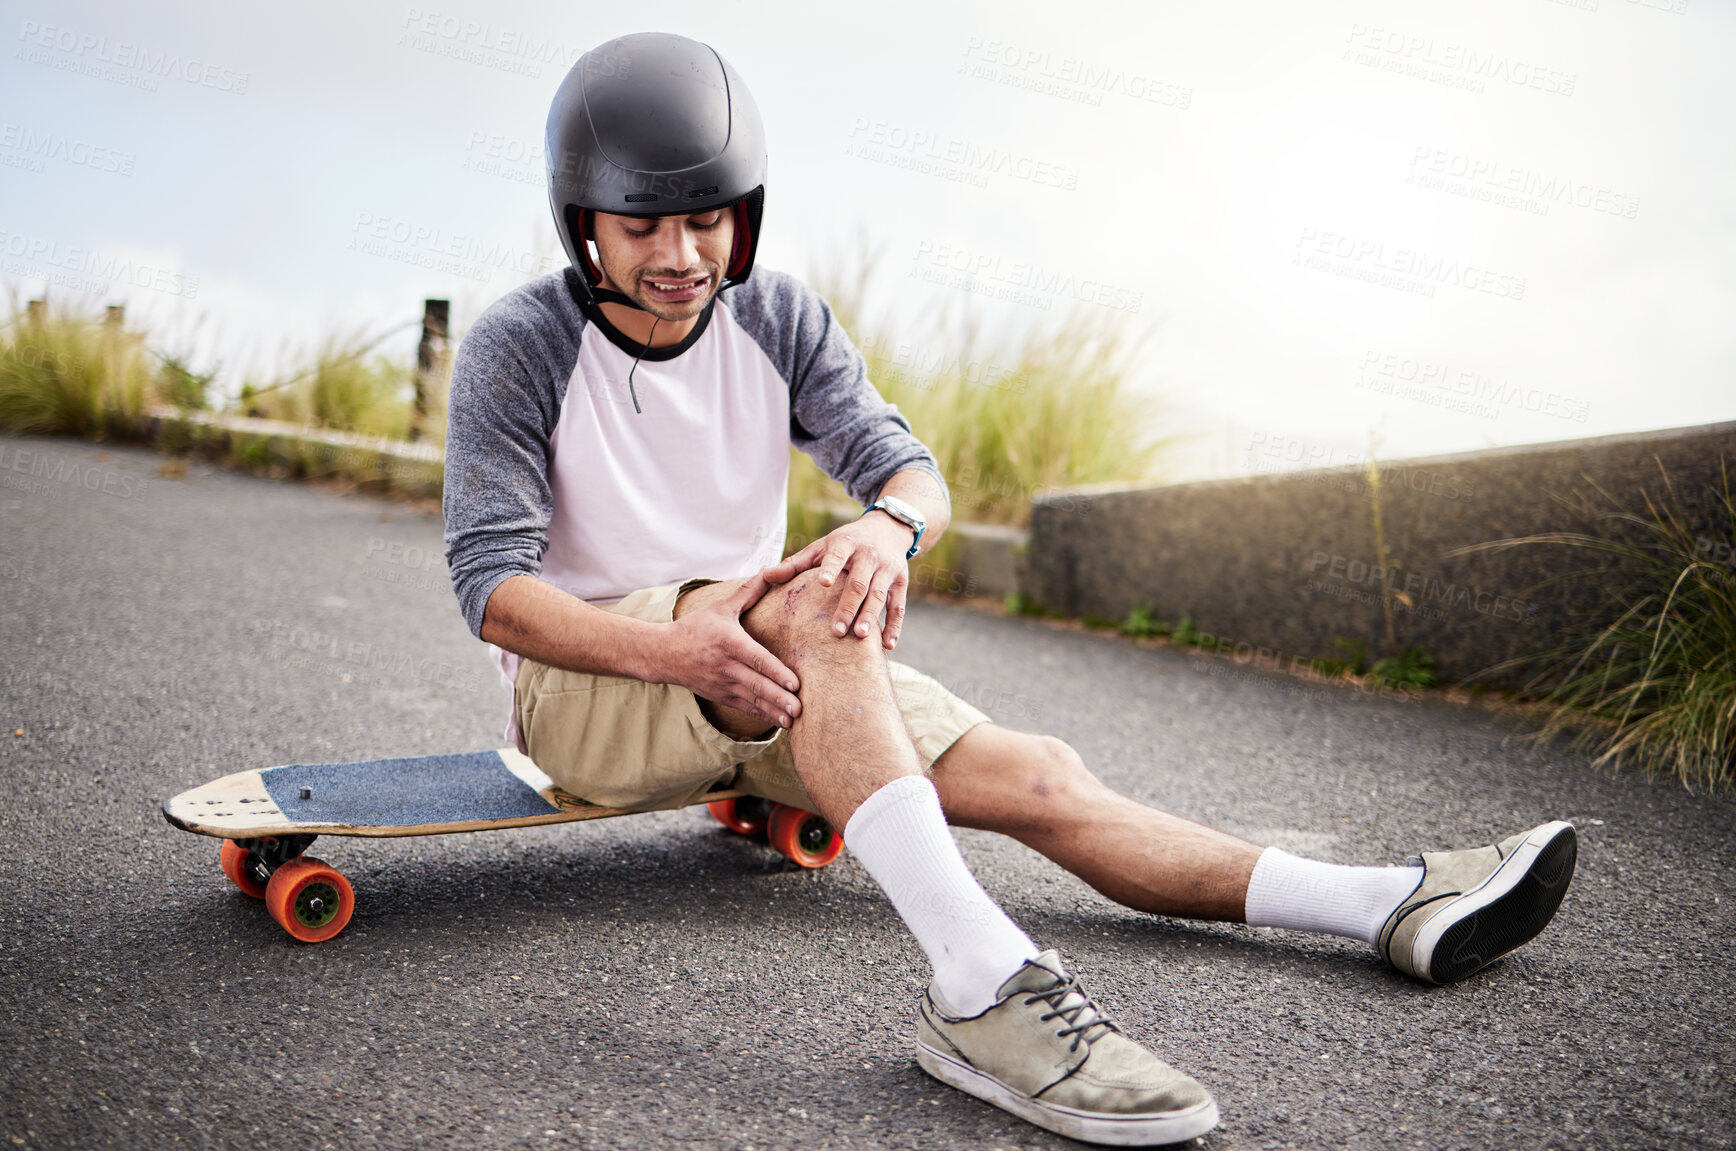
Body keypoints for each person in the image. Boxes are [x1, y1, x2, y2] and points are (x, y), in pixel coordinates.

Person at [442, 32, 1577, 1146]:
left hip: (767, 668)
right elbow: (491, 586)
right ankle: (983, 985)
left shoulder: (775, 316)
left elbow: (911, 473)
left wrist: (889, 530)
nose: (680, 253)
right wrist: (672, 648)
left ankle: (1382, 900)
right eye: (642, 225)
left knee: (1035, 769)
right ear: (581, 222)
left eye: (706, 217)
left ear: (746, 209)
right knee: (808, 600)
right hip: (591, 687)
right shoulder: (522, 344)